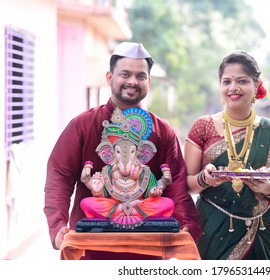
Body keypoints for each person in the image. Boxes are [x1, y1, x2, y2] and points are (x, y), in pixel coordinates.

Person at [44, 42, 200, 259]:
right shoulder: (83, 125)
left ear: (149, 81)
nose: (133, 82)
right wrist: (57, 224)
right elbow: (59, 176)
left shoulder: (162, 131)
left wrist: (185, 224)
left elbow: (176, 185)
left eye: (140, 76)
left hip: (148, 246)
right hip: (93, 242)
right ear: (109, 77)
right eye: (125, 74)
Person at [184, 50, 270, 260]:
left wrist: (269, 187)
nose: (233, 88)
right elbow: (187, 184)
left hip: (261, 229)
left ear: (256, 85)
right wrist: (206, 179)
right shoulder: (203, 127)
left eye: (241, 81)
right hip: (212, 227)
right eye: (226, 82)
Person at [79, 107, 174, 227]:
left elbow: (151, 192)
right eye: (118, 152)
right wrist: (94, 187)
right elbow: (102, 196)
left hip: (138, 204)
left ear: (139, 152)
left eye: (132, 151)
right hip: (118, 206)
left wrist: (160, 186)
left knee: (167, 203)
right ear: (111, 152)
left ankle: (123, 211)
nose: (125, 158)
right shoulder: (108, 171)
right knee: (86, 203)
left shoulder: (145, 171)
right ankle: (128, 210)